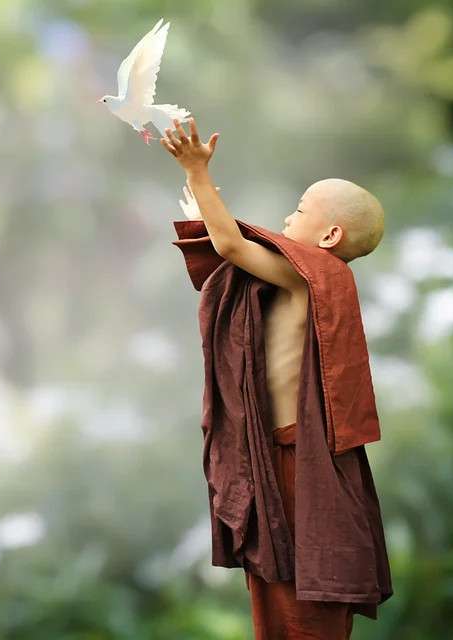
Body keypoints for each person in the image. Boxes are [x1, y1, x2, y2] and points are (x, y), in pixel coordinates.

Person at [162, 118, 388, 639]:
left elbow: (233, 248)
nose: (288, 217)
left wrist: (198, 172)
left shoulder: (316, 278)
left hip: (299, 463)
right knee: (274, 598)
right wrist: (208, 208)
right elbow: (233, 248)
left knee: (304, 600)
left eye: (301, 211)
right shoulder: (294, 279)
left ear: (329, 236)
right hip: (274, 458)